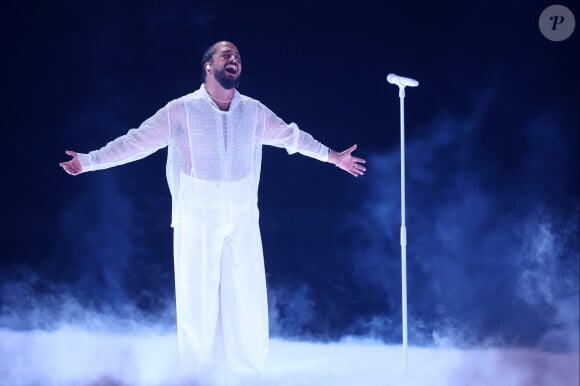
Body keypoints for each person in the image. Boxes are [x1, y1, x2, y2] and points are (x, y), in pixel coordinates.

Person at [60, 40, 366, 385]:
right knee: (197, 301)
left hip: (241, 212)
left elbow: (291, 138)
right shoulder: (182, 109)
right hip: (197, 212)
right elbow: (137, 142)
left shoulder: (253, 111)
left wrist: (333, 156)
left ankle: (248, 376)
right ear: (208, 65)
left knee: (247, 299)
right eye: (227, 54)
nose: (234, 59)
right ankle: (197, 376)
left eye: (238, 56)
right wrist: (88, 161)